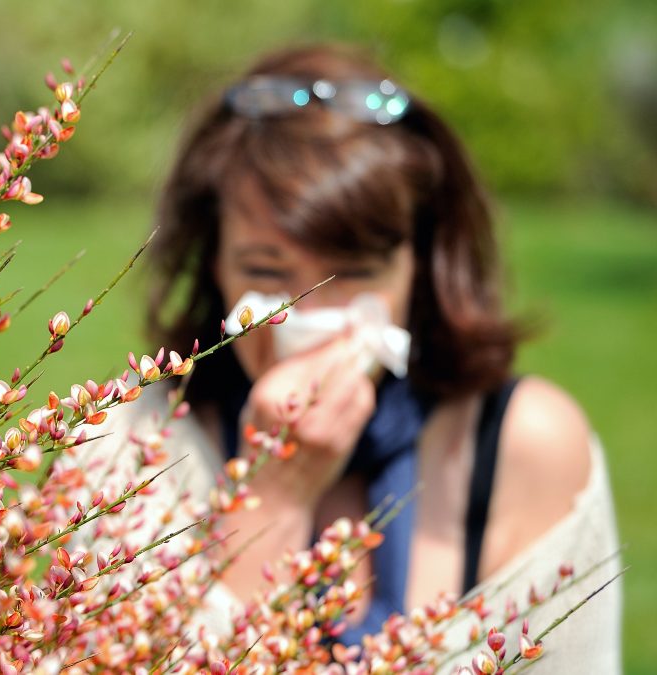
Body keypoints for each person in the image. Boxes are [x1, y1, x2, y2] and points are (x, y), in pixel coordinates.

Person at [117, 44, 621, 668]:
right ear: (213, 265)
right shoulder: (143, 443)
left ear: (421, 265)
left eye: (354, 273)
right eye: (265, 270)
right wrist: (272, 496)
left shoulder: (524, 447)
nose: (309, 313)